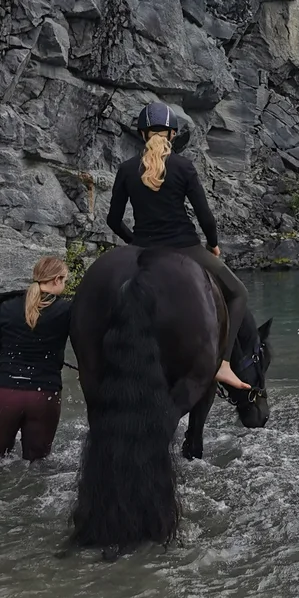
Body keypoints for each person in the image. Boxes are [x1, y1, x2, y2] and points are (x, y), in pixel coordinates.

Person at [106, 102, 252, 392]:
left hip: (143, 250)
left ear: (142, 133)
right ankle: (222, 364)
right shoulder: (184, 167)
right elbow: (206, 218)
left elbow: (113, 219)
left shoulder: (125, 170)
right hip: (185, 248)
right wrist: (213, 245)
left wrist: (133, 241)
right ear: (172, 134)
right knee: (238, 293)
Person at [0, 255, 71, 461]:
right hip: (43, 394)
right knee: (37, 464)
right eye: (64, 281)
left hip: (3, 393)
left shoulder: (8, 307)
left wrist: (12, 350)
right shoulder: (66, 310)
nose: (64, 286)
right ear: (56, 280)